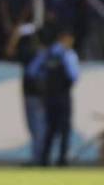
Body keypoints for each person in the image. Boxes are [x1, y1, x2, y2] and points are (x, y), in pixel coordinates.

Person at [28, 23, 80, 166]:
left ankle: (45, 159)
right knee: (64, 129)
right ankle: (62, 159)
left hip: (48, 96)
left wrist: (44, 80)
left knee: (49, 129)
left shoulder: (47, 53)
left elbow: (32, 72)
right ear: (66, 39)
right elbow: (74, 76)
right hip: (63, 96)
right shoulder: (68, 55)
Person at [7, 21, 46, 164]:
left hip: (32, 94)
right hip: (44, 93)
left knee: (36, 127)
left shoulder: (29, 51)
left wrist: (16, 35)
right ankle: (40, 157)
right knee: (39, 127)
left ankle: (39, 159)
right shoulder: (47, 51)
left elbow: (9, 52)